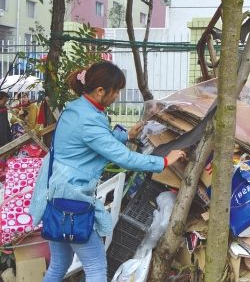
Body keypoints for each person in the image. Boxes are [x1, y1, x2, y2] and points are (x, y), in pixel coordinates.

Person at [29, 62, 186, 281]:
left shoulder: (76, 109)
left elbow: (92, 142)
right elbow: (123, 157)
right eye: (116, 90)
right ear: (100, 90)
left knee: (59, 265)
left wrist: (125, 136)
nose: (117, 96)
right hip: (72, 200)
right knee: (96, 266)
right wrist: (163, 161)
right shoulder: (89, 120)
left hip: (55, 194)